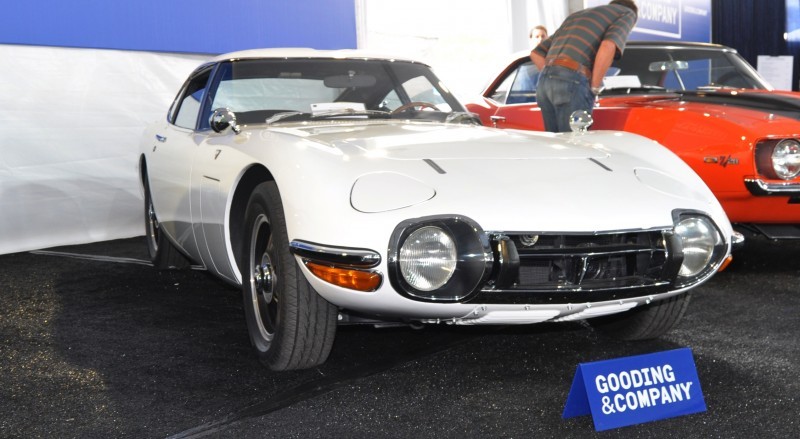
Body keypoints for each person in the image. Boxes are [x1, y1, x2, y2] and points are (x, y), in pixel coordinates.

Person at [530, 0, 638, 132]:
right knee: (577, 145)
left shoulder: (576, 16)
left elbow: (536, 54)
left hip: (544, 85)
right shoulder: (627, 13)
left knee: (556, 146)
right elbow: (608, 45)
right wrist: (594, 87)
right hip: (572, 83)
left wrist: (556, 75)